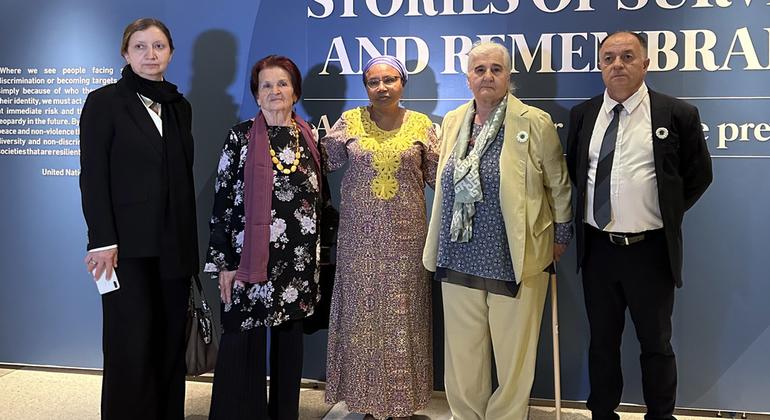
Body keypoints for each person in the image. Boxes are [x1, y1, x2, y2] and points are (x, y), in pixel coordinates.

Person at [565, 31, 713, 420]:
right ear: (599, 66)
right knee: (602, 342)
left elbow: (698, 175)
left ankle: (660, 415)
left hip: (650, 252)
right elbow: (574, 174)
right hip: (598, 250)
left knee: (656, 343)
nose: (618, 65)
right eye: (609, 58)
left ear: (645, 64)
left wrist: (664, 214)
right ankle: (602, 413)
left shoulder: (676, 114)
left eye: (628, 57)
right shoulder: (582, 115)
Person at [422, 41, 572, 420]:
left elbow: (559, 185)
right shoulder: (454, 119)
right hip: (458, 252)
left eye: (496, 69)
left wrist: (561, 235)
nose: (487, 76)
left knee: (513, 356)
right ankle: (466, 415)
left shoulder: (533, 122)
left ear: (508, 76)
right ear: (468, 77)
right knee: (463, 353)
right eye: (479, 69)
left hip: (512, 255)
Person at [79, 17, 198, 420]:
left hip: (173, 248)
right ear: (125, 54)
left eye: (159, 46)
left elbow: (181, 178)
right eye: (141, 47)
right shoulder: (104, 103)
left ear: (171, 53)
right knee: (130, 342)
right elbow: (93, 177)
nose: (151, 55)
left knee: (167, 343)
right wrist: (101, 241)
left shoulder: (181, 106)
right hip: (124, 249)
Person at [203, 55, 322, 420]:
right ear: (256, 95)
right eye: (266, 85)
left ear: (295, 91)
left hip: (297, 263)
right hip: (247, 261)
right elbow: (222, 200)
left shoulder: (309, 136)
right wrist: (223, 262)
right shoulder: (240, 137)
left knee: (288, 346)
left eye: (282, 83)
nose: (275, 91)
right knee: (243, 343)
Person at [322, 55, 438, 419]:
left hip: (408, 243)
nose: (382, 87)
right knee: (361, 321)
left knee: (405, 320)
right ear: (366, 87)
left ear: (403, 83)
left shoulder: (421, 125)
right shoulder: (350, 121)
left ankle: (403, 406)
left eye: (390, 80)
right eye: (374, 82)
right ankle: (366, 403)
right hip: (360, 243)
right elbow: (320, 161)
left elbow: (442, 178)